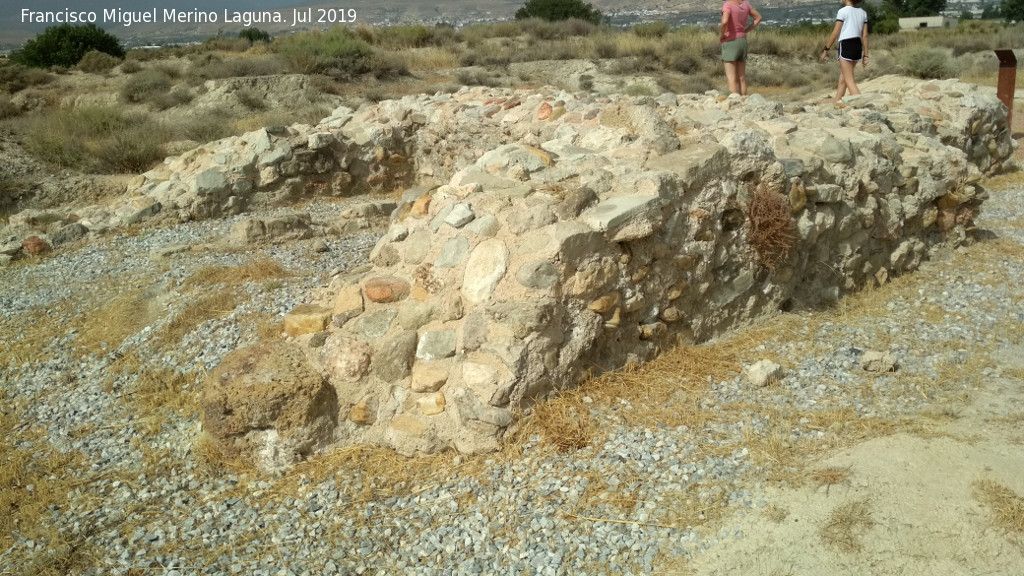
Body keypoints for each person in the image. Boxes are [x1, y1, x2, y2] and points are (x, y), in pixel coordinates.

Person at [819, 0, 869, 103]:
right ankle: (837, 101)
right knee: (844, 78)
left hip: (846, 44)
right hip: (857, 45)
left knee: (849, 80)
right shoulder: (863, 12)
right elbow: (865, 36)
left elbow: (835, 33)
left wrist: (826, 49)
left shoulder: (843, 11)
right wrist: (866, 55)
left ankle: (860, 103)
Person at [719, 0, 763, 96]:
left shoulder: (728, 5)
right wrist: (746, 30)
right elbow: (759, 18)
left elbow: (725, 21)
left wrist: (721, 36)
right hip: (742, 40)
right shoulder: (746, 4)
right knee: (741, 77)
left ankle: (735, 102)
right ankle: (744, 99)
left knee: (731, 77)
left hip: (730, 41)